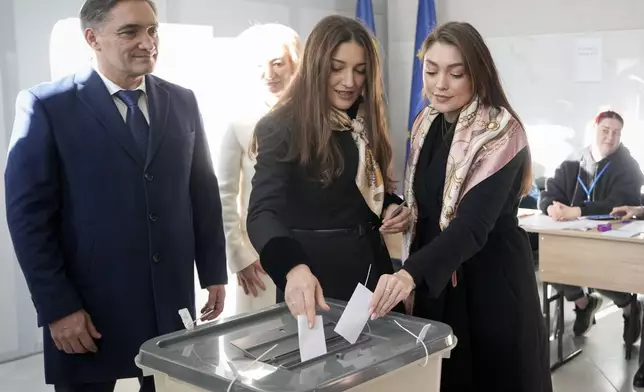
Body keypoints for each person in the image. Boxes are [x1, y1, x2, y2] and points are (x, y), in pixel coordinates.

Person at [4, 0, 227, 391]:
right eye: (131, 32)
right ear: (93, 38)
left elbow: (202, 193)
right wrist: (59, 309)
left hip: (170, 305)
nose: (148, 42)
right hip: (88, 311)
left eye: (153, 30)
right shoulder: (48, 106)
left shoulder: (183, 101)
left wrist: (212, 273)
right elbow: (29, 221)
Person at [368, 22, 552, 391]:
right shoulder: (425, 123)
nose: (441, 84)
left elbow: (472, 224)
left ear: (477, 73)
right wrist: (406, 211)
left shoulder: (501, 131)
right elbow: (432, 199)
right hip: (437, 276)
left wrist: (408, 274)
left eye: (456, 73)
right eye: (432, 70)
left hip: (488, 280)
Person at [246, 15, 410, 327]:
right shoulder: (281, 126)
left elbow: (359, 188)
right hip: (315, 278)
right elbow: (262, 213)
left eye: (360, 71)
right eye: (337, 68)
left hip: (373, 272)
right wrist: (292, 268)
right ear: (315, 67)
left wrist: (390, 205)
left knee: (386, 372)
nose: (349, 81)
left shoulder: (364, 121)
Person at [216, 23, 301, 314]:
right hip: (258, 258)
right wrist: (239, 257)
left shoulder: (315, 117)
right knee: (257, 346)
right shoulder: (239, 119)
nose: (270, 74)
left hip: (309, 252)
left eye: (278, 63)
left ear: (295, 65)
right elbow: (224, 194)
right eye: (260, 65)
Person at [538, 110, 643, 339]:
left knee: (599, 273)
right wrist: (550, 208)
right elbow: (549, 192)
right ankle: (584, 303)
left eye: (616, 133)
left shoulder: (628, 165)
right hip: (574, 237)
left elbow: (621, 202)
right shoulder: (573, 160)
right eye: (605, 130)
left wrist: (576, 211)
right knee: (551, 265)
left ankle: (629, 307)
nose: (610, 137)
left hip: (611, 241)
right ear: (594, 130)